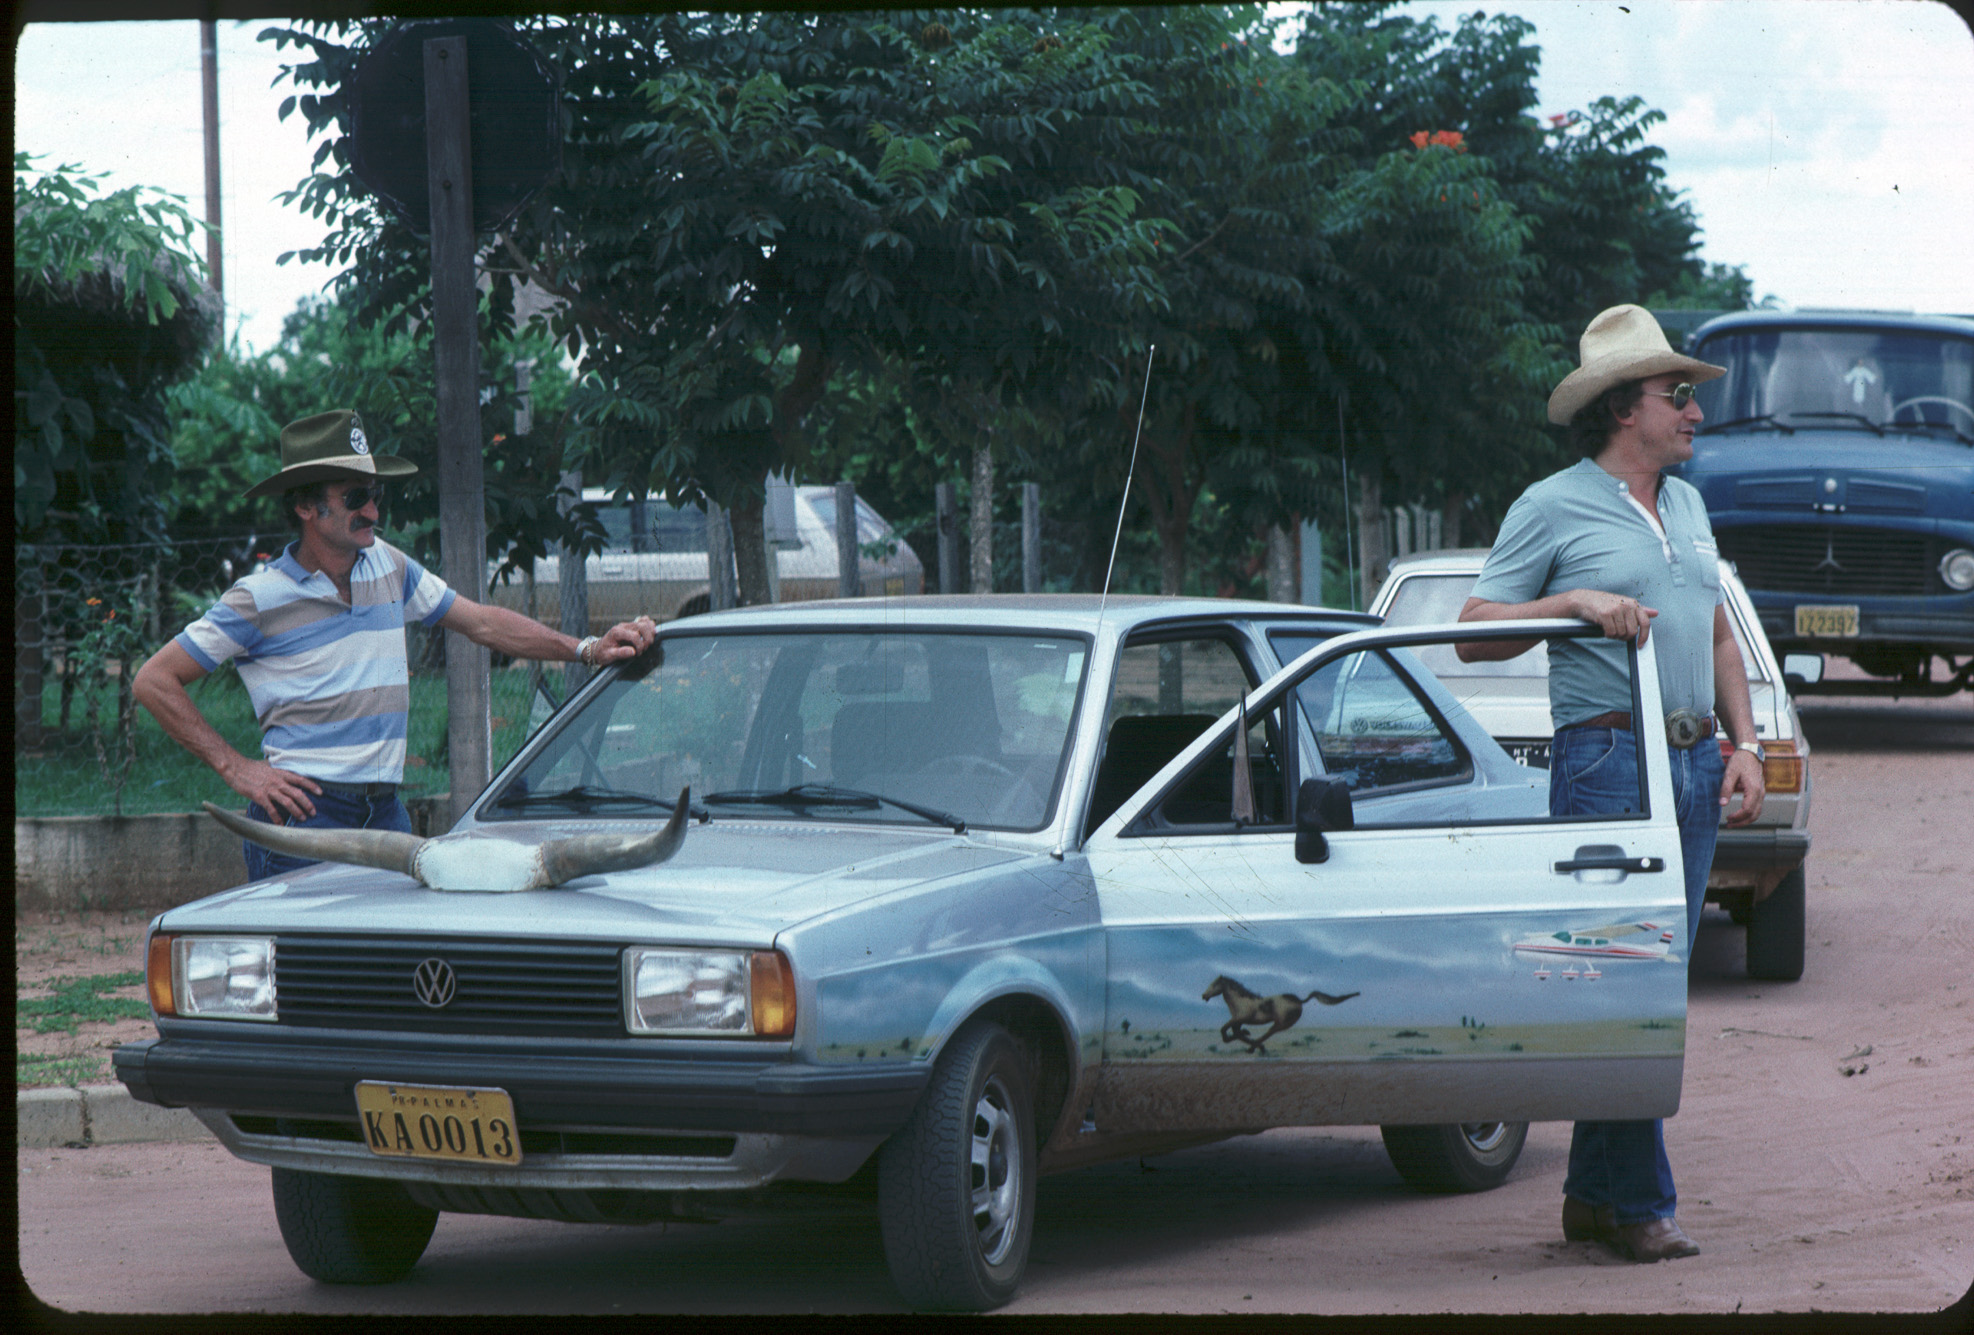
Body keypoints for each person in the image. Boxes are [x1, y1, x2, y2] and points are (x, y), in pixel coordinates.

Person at [1457, 304, 1767, 1263]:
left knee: (1642, 984)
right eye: (1678, 395)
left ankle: (1596, 1196)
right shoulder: (1550, 506)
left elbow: (1716, 631)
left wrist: (1743, 743)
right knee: (1629, 983)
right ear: (1622, 408)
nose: (1695, 412)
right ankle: (1638, 1203)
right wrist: (1570, 603)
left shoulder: (1687, 507)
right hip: (1606, 761)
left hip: (1688, 758)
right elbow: (1474, 628)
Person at [132, 408, 658, 879]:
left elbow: (482, 624)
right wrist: (238, 768)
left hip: (388, 816)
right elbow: (154, 679)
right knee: (304, 981)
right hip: (305, 821)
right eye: (355, 498)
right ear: (306, 508)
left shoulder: (388, 565)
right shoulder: (259, 598)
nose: (373, 512)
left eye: (375, 495)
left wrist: (588, 648)